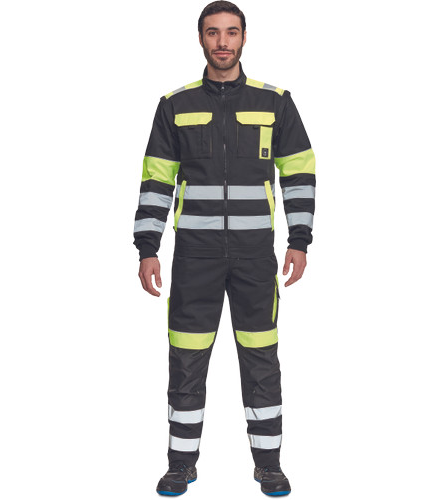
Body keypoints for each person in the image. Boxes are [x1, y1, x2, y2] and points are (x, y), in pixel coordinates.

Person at [133, 1, 316, 496]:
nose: (222, 42)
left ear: (244, 38)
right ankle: (180, 464)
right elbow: (156, 180)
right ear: (200, 39)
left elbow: (299, 172)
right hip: (195, 257)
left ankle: (269, 464)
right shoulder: (174, 105)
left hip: (256, 257)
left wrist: (300, 239)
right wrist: (147, 247)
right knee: (186, 359)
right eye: (213, 33)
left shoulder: (276, 102)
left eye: (231, 33)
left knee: (261, 358)